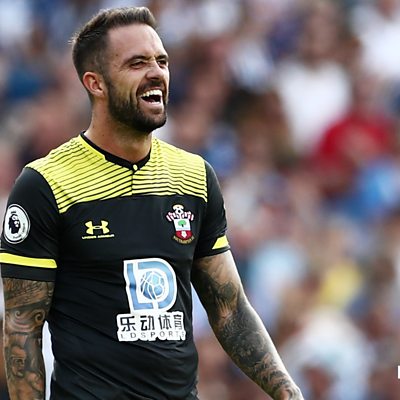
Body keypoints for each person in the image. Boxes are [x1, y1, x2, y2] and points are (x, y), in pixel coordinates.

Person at [0, 7, 304, 400]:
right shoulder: (45, 184)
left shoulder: (195, 176)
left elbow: (230, 309)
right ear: (95, 83)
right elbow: (23, 326)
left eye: (162, 61)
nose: (156, 72)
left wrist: (287, 392)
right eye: (137, 63)